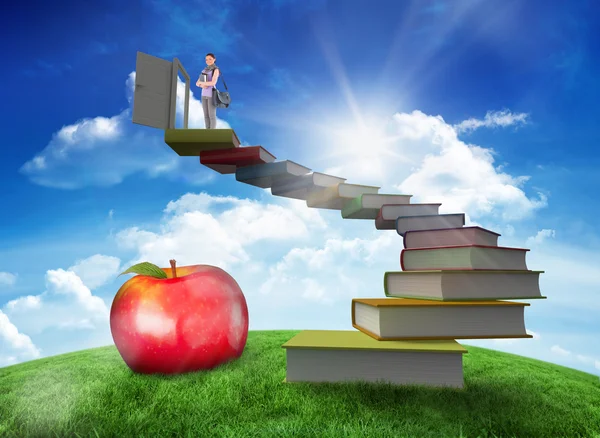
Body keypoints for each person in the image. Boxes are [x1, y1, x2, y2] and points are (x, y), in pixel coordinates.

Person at [196, 53, 220, 129]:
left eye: (210, 59)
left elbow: (213, 83)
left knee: (212, 115)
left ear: (214, 59)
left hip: (211, 94)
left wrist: (202, 83)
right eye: (206, 59)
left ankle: (212, 134)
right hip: (203, 94)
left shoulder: (216, 70)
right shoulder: (205, 70)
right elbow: (197, 83)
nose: (208, 61)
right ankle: (207, 132)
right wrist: (201, 85)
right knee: (206, 115)